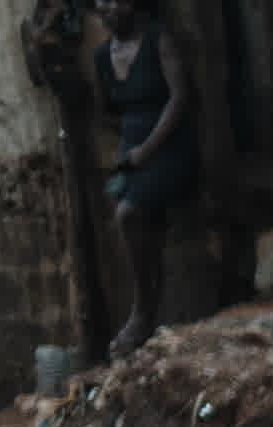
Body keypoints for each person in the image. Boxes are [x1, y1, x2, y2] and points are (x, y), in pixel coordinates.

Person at [82, 0, 196, 363]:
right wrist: (131, 145)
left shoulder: (159, 39)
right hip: (133, 156)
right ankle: (148, 312)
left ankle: (141, 312)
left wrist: (147, 146)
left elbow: (179, 97)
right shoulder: (102, 57)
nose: (111, 8)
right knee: (140, 223)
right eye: (102, 3)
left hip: (171, 148)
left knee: (128, 214)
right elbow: (105, 112)